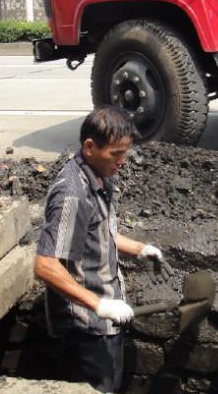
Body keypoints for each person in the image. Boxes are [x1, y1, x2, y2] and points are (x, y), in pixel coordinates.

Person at [34, 106, 172, 393]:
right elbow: (46, 265)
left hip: (104, 321)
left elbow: (98, 233)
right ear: (89, 146)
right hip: (87, 328)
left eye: (126, 153)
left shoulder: (100, 174)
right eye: (116, 154)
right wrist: (100, 305)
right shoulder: (73, 194)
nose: (122, 161)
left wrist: (140, 248)